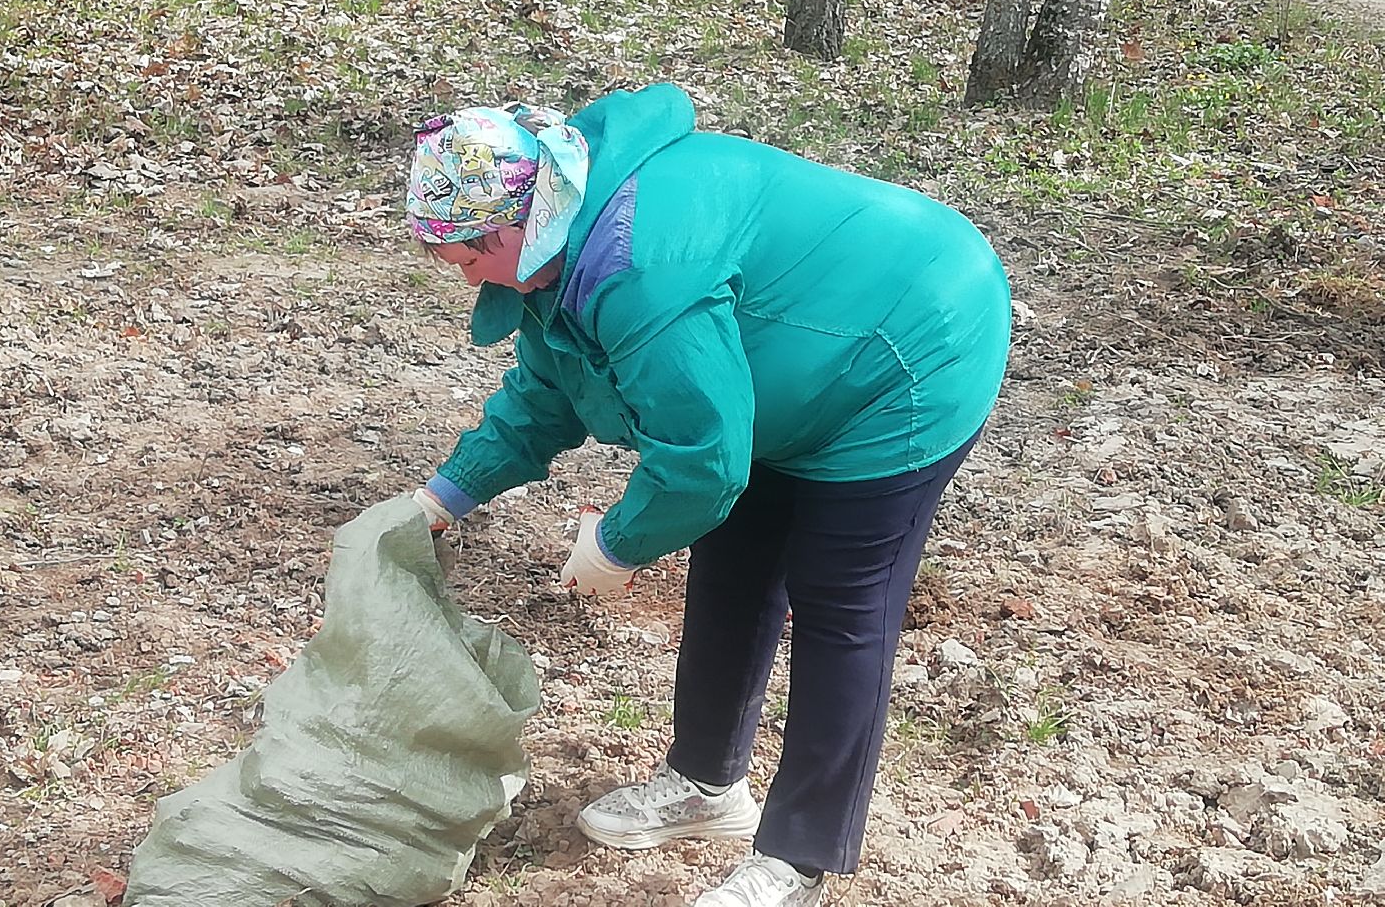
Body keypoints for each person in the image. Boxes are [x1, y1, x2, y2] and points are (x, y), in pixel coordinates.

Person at [406, 83, 1010, 907]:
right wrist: (443, 497)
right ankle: (706, 786)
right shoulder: (558, 244)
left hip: (912, 343)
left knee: (843, 601)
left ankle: (798, 861)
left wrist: (616, 543)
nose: (468, 276)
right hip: (781, 361)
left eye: (471, 258)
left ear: (519, 221)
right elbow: (548, 393)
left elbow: (702, 462)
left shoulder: (642, 265)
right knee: (732, 565)